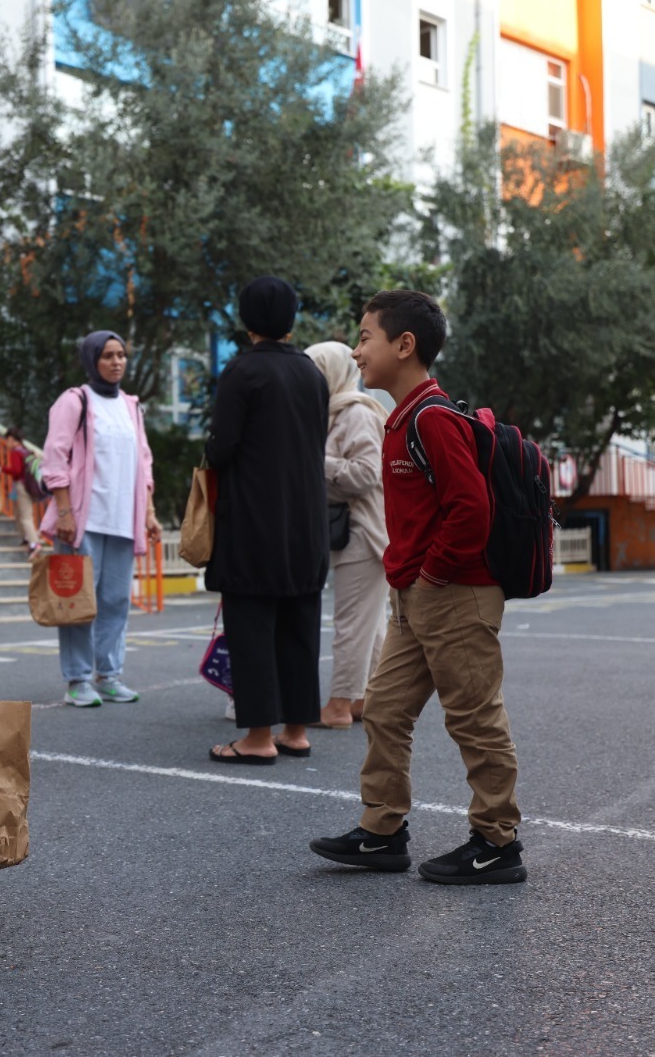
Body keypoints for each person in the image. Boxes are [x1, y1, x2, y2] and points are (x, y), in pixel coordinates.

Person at [309, 290, 525, 885]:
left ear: (405, 346)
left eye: (365, 337)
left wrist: (430, 575)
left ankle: (497, 843)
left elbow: (470, 510)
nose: (357, 351)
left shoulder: (431, 417)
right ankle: (382, 832)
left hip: (453, 592)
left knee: (475, 718)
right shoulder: (401, 415)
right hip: (417, 593)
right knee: (383, 709)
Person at [203, 277, 329, 762]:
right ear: (292, 318)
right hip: (306, 519)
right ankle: (295, 730)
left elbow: (222, 448)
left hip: (255, 518)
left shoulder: (243, 371)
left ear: (246, 318)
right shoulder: (311, 373)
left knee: (251, 625)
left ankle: (257, 737)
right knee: (300, 623)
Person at [40, 331, 159, 707]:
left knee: (115, 600)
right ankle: (77, 679)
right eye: (107, 355)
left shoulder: (131, 407)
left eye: (121, 355)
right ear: (92, 360)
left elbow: (144, 463)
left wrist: (150, 514)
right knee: (77, 600)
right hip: (82, 519)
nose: (116, 362)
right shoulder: (75, 401)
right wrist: (64, 511)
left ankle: (108, 675)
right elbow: (55, 459)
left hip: (123, 518)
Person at [304, 341, 391, 730]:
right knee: (370, 624)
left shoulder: (354, 412)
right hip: (355, 531)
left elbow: (365, 473)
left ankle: (339, 705)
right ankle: (365, 701)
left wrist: (310, 461)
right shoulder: (332, 413)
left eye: (315, 371)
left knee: (352, 623)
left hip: (364, 531)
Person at [1, 425, 41, 559]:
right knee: (20, 514)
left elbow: (16, 472)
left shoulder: (15, 453)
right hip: (28, 486)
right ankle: (26, 538)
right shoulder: (26, 451)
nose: (6, 443)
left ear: (12, 439)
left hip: (21, 486)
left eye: (7, 440)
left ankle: (34, 544)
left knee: (25, 517)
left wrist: (2, 469)